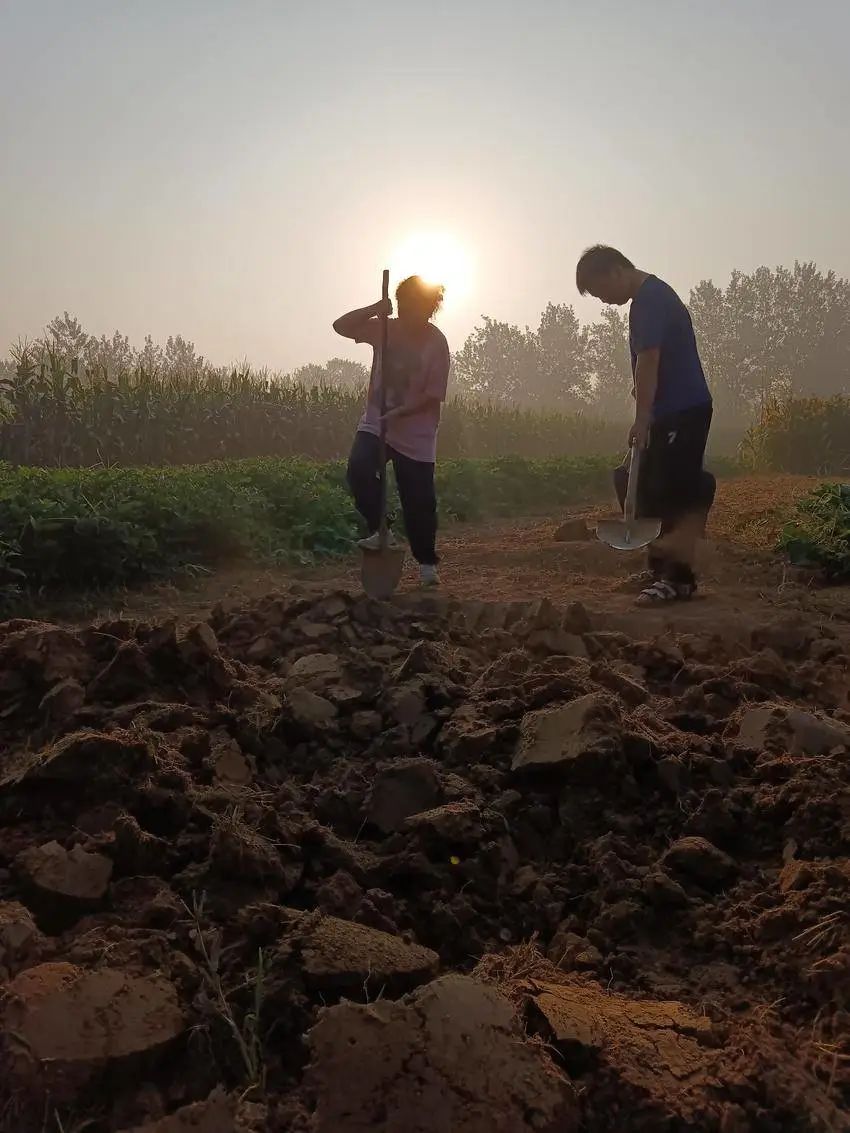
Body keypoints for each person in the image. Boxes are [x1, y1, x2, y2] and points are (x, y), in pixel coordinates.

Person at [576, 245, 713, 604]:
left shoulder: (649, 301)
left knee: (671, 493)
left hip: (682, 410)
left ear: (616, 271)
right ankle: (662, 570)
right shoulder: (650, 298)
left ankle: (676, 579)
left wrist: (641, 419)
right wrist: (643, 395)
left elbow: (649, 360)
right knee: (636, 482)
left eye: (602, 291)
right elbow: (648, 365)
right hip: (671, 410)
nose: (605, 301)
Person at [333, 275, 451, 588]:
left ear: (428, 309)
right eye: (401, 306)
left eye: (413, 308)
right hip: (376, 421)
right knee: (359, 469)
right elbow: (340, 326)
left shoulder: (436, 343)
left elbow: (433, 395)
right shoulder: (386, 329)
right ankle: (381, 529)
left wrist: (401, 412)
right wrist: (375, 308)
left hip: (416, 431)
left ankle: (426, 563)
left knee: (419, 500)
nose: (405, 313)